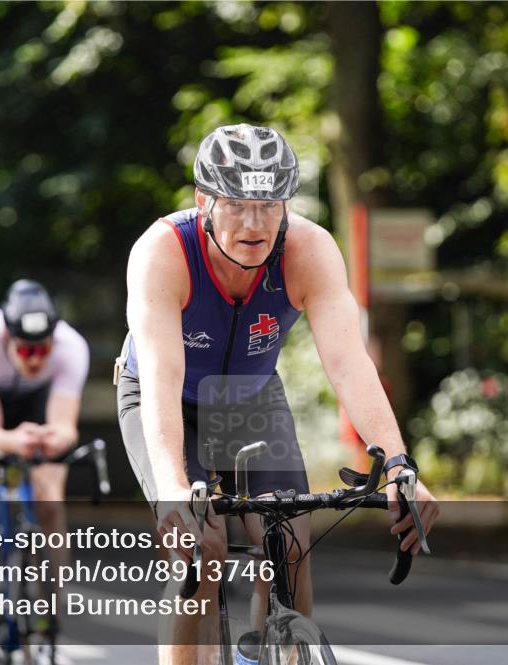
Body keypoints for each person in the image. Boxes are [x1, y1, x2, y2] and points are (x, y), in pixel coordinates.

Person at [116, 123, 439, 663]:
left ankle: (270, 650)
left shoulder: (309, 249)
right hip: (161, 396)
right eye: (238, 204)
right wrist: (174, 488)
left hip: (251, 396)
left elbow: (349, 363)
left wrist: (401, 464)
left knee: (289, 543)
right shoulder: (163, 253)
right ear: (204, 202)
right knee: (204, 551)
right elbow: (161, 381)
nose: (254, 223)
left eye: (269, 205)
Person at [0, 279, 90, 628]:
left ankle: (52, 597)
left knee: (50, 496)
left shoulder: (72, 347)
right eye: (26, 350)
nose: (36, 359)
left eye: (44, 349)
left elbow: (66, 428)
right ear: (7, 339)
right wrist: (14, 442)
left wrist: (52, 440)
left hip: (34, 404)